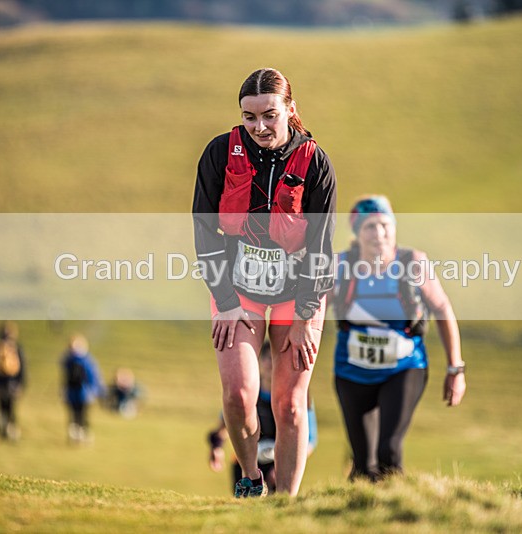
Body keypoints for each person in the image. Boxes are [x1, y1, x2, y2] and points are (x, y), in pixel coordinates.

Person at [192, 67, 336, 497]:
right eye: (249, 116)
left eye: (269, 115)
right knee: (238, 395)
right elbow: (204, 232)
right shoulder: (220, 153)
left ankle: (287, 507)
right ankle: (251, 478)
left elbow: (321, 247)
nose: (259, 127)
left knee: (290, 405)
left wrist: (304, 318)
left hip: (299, 294)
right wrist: (224, 299)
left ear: (289, 109)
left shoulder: (315, 162)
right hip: (237, 291)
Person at [332, 195, 466, 481]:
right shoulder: (340, 266)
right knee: (362, 463)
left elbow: (442, 309)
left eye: (384, 225)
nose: (379, 233)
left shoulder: (413, 263)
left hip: (404, 368)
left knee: (388, 451)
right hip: (351, 371)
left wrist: (455, 368)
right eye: (369, 226)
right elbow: (313, 309)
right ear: (357, 233)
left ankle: (400, 513)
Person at [207, 340, 318, 494]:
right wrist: (217, 447)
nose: (271, 363)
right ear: (258, 361)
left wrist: (281, 469)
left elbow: (309, 441)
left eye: (274, 358)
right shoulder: (246, 395)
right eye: (266, 358)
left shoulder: (297, 398)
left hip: (277, 468)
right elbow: (225, 427)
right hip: (244, 466)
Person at [0, 321, 26, 441]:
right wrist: (21, 383)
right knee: (10, 407)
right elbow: (22, 368)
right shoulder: (16, 347)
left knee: (1, 406)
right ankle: (10, 430)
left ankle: (3, 429)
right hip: (12, 383)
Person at [61, 334, 105, 444]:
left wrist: (95, 391)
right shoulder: (69, 361)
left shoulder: (87, 361)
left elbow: (94, 377)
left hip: (84, 393)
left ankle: (84, 435)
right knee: (73, 415)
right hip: (72, 392)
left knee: (83, 415)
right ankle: (75, 436)